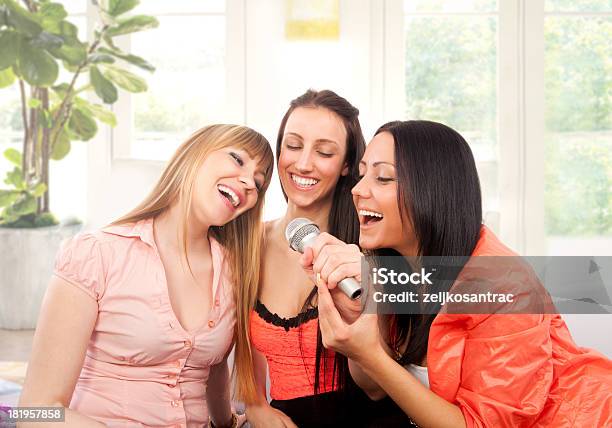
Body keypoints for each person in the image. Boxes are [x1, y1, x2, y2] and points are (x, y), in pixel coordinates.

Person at [302, 120, 612, 427]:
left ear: (433, 190)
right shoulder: (395, 270)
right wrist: (359, 317)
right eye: (361, 174)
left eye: (383, 178)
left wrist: (371, 355)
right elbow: (373, 388)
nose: (357, 189)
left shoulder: (505, 284)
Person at [19, 124, 274, 427]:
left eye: (258, 183)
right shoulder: (96, 254)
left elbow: (211, 369)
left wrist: (230, 422)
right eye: (237, 159)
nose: (247, 182)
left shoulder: (235, 272)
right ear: (192, 154)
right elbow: (33, 411)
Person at [245, 89, 408, 427]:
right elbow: (235, 348)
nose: (303, 163)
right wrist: (255, 404)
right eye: (292, 146)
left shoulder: (369, 252)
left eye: (324, 152)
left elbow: (377, 389)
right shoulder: (249, 243)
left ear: (348, 164)